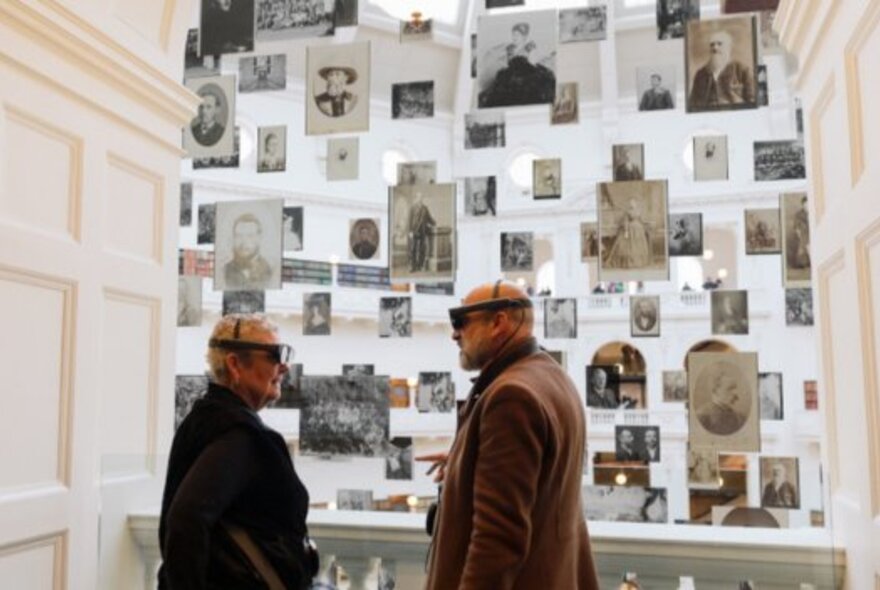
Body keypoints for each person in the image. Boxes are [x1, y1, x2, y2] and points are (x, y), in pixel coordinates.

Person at [419, 281, 599, 589]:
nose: (454, 334)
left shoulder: (511, 396)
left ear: (498, 323)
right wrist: (466, 463)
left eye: (461, 321)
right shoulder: (551, 376)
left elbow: (498, 538)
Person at [158, 314, 315, 589]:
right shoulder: (239, 435)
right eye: (276, 354)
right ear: (235, 364)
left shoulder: (205, 419)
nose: (285, 366)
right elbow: (186, 520)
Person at [478, 22, 556, 107]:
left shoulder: (530, 49)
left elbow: (533, 66)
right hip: (509, 79)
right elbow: (499, 58)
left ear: (524, 37)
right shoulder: (509, 49)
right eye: (513, 34)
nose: (514, 37)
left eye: (517, 35)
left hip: (524, 82)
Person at [688, 29, 755, 109]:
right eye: (712, 45)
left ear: (728, 47)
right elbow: (692, 103)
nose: (715, 48)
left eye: (719, 44)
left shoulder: (742, 70)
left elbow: (752, 100)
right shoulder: (700, 74)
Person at [224, 214, 273, 289]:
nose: (244, 242)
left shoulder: (270, 270)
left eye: (250, 236)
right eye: (239, 236)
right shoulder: (225, 270)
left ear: (259, 238)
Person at [696, 365, 747, 435]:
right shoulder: (702, 416)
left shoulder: (740, 418)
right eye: (730, 388)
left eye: (735, 388)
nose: (736, 394)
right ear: (715, 391)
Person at [605, 198, 652, 269]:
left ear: (635, 204)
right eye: (630, 203)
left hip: (639, 231)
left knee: (638, 246)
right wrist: (626, 231)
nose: (632, 204)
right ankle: (629, 263)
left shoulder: (638, 211)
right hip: (631, 230)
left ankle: (639, 262)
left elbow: (641, 220)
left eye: (633, 203)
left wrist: (646, 225)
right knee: (628, 246)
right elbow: (625, 221)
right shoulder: (627, 212)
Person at [407, 191, 436, 272]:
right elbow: (409, 220)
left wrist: (434, 223)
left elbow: (429, 218)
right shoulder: (412, 207)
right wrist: (410, 231)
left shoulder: (425, 208)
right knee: (413, 249)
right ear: (416, 198)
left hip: (422, 231)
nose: (420, 199)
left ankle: (420, 266)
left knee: (422, 249)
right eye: (419, 197)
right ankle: (412, 266)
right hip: (414, 230)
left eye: (421, 197)